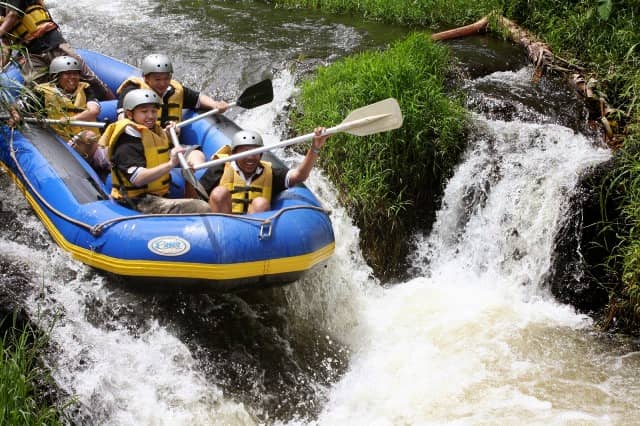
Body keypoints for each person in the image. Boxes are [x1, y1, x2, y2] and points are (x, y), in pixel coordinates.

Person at [101, 88, 211, 214]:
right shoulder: (126, 141)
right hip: (135, 201)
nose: (151, 116)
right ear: (130, 114)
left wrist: (169, 135)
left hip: (156, 194)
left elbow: (155, 151)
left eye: (154, 111)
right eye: (144, 112)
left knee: (200, 189)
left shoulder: (152, 130)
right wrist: (171, 164)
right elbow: (138, 179)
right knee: (200, 207)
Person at [9, 55, 110, 175]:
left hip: (94, 146)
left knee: (114, 150)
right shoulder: (42, 93)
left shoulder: (86, 89)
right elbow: (15, 106)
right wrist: (15, 115)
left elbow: (93, 111)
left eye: (75, 73)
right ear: (57, 77)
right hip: (66, 148)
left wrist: (70, 119)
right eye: (67, 74)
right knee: (88, 136)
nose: (72, 77)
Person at [0, 0, 114, 100]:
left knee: (88, 77)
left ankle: (115, 106)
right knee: (37, 89)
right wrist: (2, 65)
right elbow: (6, 43)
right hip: (29, 54)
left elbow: (13, 15)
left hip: (52, 42)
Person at [199, 128, 329, 214]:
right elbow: (197, 198)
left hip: (254, 235)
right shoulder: (220, 168)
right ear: (234, 153)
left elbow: (299, 176)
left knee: (260, 203)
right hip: (222, 230)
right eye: (244, 152)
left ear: (261, 155)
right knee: (219, 193)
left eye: (255, 153)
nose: (250, 158)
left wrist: (315, 148)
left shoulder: (269, 173)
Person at [116, 53, 228, 127]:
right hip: (142, 143)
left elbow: (198, 99)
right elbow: (122, 119)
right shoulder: (132, 92)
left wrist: (215, 104)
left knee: (197, 155)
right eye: (157, 79)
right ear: (146, 78)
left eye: (166, 78)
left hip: (170, 142)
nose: (163, 83)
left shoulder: (174, 90)